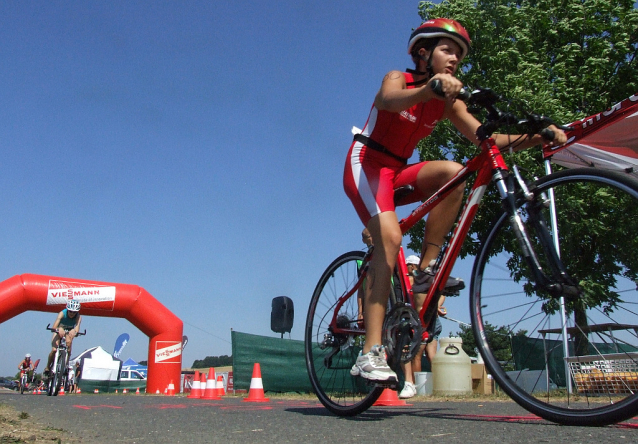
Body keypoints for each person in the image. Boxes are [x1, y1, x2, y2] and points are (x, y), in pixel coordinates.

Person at [345, 18, 567, 382]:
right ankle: (369, 353)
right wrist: (429, 90)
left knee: (452, 171)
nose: (454, 59)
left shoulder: (446, 103)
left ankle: (427, 270)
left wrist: (536, 137)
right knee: (390, 240)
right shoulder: (399, 79)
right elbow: (388, 100)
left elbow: (486, 140)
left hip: (398, 172)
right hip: (366, 164)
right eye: (447, 50)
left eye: (459, 55)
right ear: (423, 52)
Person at [46, 300, 83, 374]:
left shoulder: (78, 317)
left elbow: (77, 328)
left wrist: (74, 332)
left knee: (68, 346)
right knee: (54, 350)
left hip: (69, 331)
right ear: (67, 310)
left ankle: (65, 365)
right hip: (59, 329)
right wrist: (58, 329)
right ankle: (47, 367)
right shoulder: (62, 313)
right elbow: (54, 327)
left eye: (74, 312)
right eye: (70, 311)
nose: (72, 313)